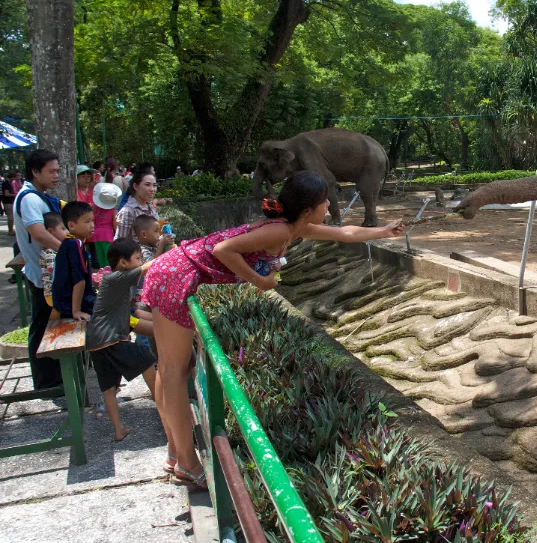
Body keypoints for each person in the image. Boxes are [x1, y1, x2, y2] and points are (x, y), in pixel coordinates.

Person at [143, 170, 405, 488]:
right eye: (325, 201)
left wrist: (384, 231)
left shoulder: (294, 227)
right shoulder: (279, 231)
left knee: (171, 369)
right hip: (177, 274)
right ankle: (187, 463)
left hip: (176, 270)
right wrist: (261, 280)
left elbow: (345, 234)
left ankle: (175, 454)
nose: (329, 205)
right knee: (173, 371)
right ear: (308, 209)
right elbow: (223, 250)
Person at [86, 238, 161, 442]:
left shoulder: (119, 282)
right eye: (137, 258)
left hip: (96, 341)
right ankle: (163, 405)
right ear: (123, 262)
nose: (140, 261)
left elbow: (133, 310)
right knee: (146, 360)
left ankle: (119, 430)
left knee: (109, 388)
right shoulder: (116, 278)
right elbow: (148, 266)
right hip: (109, 339)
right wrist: (174, 254)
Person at [14, 150, 63, 389]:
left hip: (44, 274)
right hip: (42, 276)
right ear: (35, 172)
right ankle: (46, 383)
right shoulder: (30, 199)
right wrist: (67, 251)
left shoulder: (37, 196)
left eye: (57, 170)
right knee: (42, 326)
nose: (56, 175)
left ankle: (52, 377)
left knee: (45, 324)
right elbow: (39, 232)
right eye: (51, 171)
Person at [52, 202, 96, 321]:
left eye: (93, 221)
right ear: (71, 225)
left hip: (71, 302)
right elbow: (79, 279)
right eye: (87, 222)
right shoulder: (74, 244)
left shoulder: (74, 242)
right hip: (72, 304)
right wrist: (76, 311)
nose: (92, 225)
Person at [115, 171, 160, 243]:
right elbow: (119, 244)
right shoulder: (127, 211)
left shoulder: (150, 207)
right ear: (135, 186)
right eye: (147, 185)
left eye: (154, 185)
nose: (152, 189)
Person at [39, 212, 68, 319]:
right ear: (50, 232)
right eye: (63, 228)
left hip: (54, 291)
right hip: (52, 292)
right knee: (56, 316)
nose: (67, 232)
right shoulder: (50, 252)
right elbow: (54, 270)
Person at [89, 182, 120, 270]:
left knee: (100, 257)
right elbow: (115, 224)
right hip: (107, 235)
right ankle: (108, 275)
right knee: (108, 257)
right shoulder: (113, 210)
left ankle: (102, 274)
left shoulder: (95, 208)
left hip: (96, 234)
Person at [2, 170, 21, 236]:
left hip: (10, 201)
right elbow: (6, 194)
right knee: (10, 217)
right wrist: (15, 194)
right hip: (8, 202)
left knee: (11, 217)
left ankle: (11, 230)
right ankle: (10, 231)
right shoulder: (6, 183)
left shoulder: (8, 183)